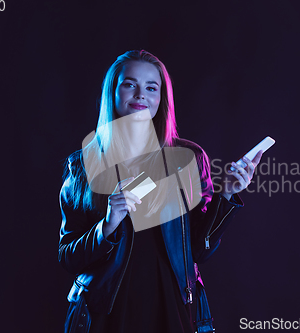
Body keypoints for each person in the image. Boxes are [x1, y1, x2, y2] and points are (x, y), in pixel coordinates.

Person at [59, 50, 263, 333]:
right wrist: (107, 226)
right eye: (130, 84)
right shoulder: (83, 164)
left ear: (161, 99)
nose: (141, 94)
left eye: (151, 88)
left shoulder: (188, 158)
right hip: (105, 314)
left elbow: (198, 250)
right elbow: (69, 255)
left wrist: (226, 193)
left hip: (170, 309)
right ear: (113, 92)